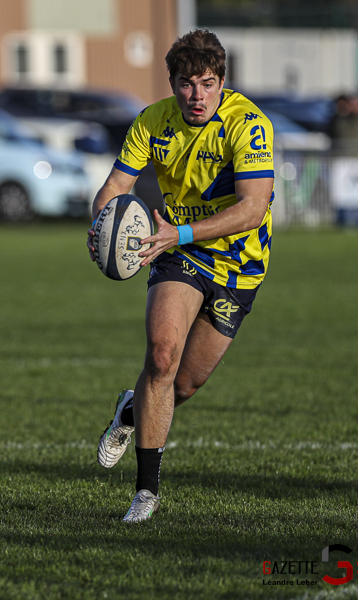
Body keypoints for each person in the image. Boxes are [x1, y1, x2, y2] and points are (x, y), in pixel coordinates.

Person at [86, 29, 274, 522]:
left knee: (183, 385)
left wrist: (181, 233)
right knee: (162, 355)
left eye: (207, 84)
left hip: (239, 264)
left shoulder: (249, 125)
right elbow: (114, 187)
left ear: (222, 82)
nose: (197, 96)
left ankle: (130, 412)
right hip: (178, 254)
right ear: (171, 83)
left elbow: (253, 210)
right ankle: (145, 493)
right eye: (186, 84)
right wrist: (100, 223)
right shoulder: (152, 122)